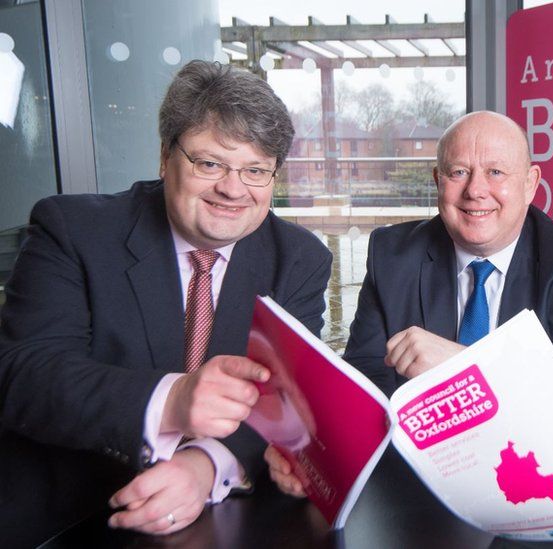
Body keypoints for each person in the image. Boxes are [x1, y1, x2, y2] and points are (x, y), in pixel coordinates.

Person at [0, 60, 331, 546]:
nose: (233, 189)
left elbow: (287, 398)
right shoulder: (72, 230)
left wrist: (205, 465)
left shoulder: (299, 259)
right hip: (67, 520)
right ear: (164, 157)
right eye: (210, 163)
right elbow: (22, 373)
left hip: (219, 521)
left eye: (255, 170)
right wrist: (172, 401)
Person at [265, 110, 553, 497]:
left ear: (530, 184)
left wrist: (460, 369)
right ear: (437, 181)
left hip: (530, 480)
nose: (475, 191)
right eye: (458, 172)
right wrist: (323, 462)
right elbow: (365, 386)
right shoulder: (392, 255)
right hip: (413, 483)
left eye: (496, 172)